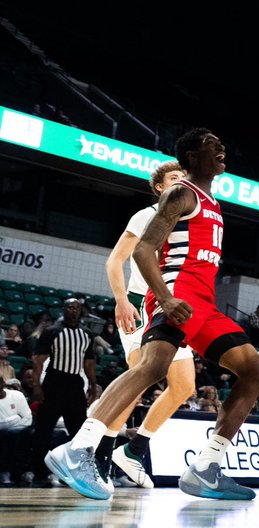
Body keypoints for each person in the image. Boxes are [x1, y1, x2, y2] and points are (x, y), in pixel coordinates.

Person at [46, 129, 259, 501]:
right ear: (192, 156)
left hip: (204, 303)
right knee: (151, 368)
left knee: (255, 372)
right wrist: (164, 299)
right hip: (176, 293)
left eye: (221, 142)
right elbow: (143, 250)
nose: (222, 148)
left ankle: (206, 468)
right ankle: (77, 449)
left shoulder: (212, 202)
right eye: (212, 144)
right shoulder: (182, 193)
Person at [100, 160, 197, 488]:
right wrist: (121, 300)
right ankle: (100, 455)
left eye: (184, 178)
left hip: (172, 309)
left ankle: (134, 449)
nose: (181, 182)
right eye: (173, 178)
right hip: (141, 302)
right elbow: (115, 259)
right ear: (159, 187)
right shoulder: (146, 215)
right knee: (138, 380)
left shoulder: (189, 221)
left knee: (184, 386)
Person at [31, 298, 98, 487]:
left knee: (78, 431)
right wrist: (36, 385)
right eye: (70, 307)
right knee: (44, 429)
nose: (74, 310)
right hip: (54, 381)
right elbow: (38, 359)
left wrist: (93, 386)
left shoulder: (87, 333)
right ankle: (39, 473)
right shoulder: (53, 331)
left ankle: (74, 472)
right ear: (64, 309)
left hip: (75, 383)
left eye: (77, 307)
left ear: (81, 311)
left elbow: (89, 362)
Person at [0, 376, 33, 485]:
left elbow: (28, 419)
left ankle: (24, 472)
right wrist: (15, 418)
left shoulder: (17, 395)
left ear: (3, 383)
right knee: (8, 436)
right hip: (3, 433)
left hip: (21, 430)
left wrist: (8, 423)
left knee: (24, 434)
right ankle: (6, 472)